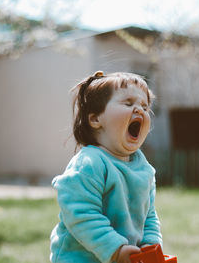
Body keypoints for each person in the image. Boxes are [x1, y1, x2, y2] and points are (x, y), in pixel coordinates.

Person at [50, 71, 162, 263]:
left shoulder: (144, 168)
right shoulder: (89, 164)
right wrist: (115, 249)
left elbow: (149, 215)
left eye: (145, 106)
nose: (140, 110)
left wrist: (151, 244)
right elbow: (81, 214)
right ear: (95, 119)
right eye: (128, 103)